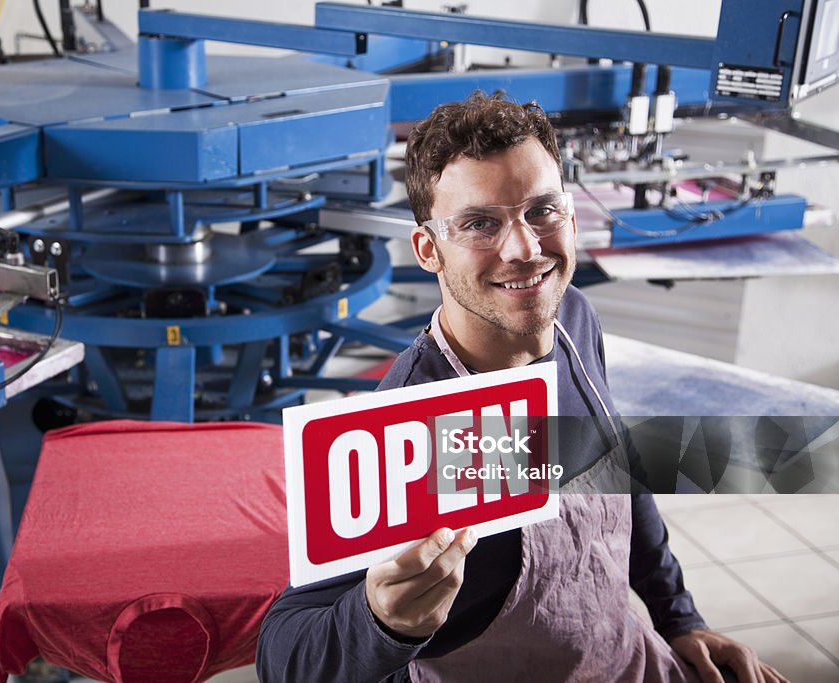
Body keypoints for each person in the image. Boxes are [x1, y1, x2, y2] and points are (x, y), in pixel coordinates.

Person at [256, 92, 787, 683]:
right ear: (429, 250)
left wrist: (679, 619)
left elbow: (622, 471)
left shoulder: (575, 320)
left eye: (543, 211)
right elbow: (283, 653)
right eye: (480, 223)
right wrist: (380, 622)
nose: (525, 250)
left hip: (629, 661)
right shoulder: (407, 424)